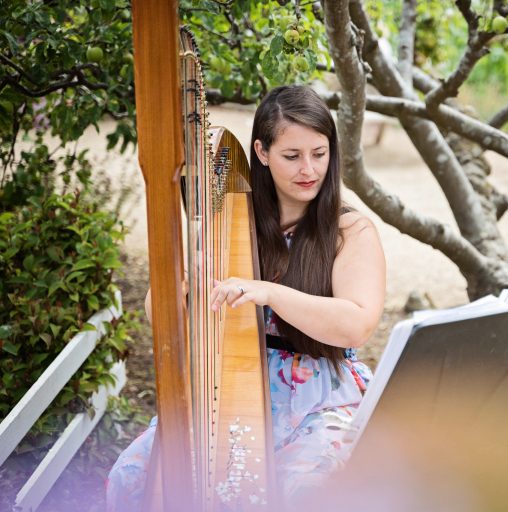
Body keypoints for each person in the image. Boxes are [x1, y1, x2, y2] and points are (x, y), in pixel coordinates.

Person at [106, 85, 386, 509]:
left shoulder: (349, 232)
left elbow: (357, 323)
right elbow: (158, 315)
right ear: (261, 151)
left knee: (308, 491)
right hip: (227, 386)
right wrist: (184, 284)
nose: (309, 169)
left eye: (320, 153)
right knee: (130, 476)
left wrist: (269, 292)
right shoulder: (228, 221)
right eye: (292, 156)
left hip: (319, 397)